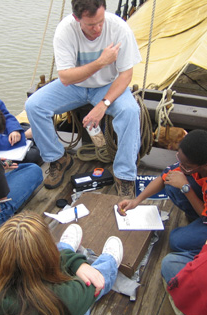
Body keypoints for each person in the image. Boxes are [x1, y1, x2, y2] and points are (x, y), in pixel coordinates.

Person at [25, 0, 142, 196]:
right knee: (34, 106)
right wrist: (100, 62)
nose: (97, 29)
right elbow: (65, 77)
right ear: (76, 18)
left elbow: (125, 75)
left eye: (101, 22)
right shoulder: (65, 31)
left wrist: (104, 104)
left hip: (107, 85)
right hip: (74, 86)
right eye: (90, 24)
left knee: (130, 112)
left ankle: (125, 175)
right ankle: (58, 158)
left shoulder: (119, 28)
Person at [118, 129, 207, 254]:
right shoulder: (199, 158)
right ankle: (197, 223)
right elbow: (164, 178)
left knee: (177, 241)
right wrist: (136, 201)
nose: (181, 167)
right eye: (179, 160)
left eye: (186, 166)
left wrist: (186, 188)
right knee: (171, 183)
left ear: (206, 166)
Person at [0, 211, 123, 315]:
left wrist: (73, 262)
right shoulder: (65, 297)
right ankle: (107, 260)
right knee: (96, 276)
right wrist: (76, 263)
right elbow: (94, 284)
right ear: (48, 253)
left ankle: (65, 247)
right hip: (60, 310)